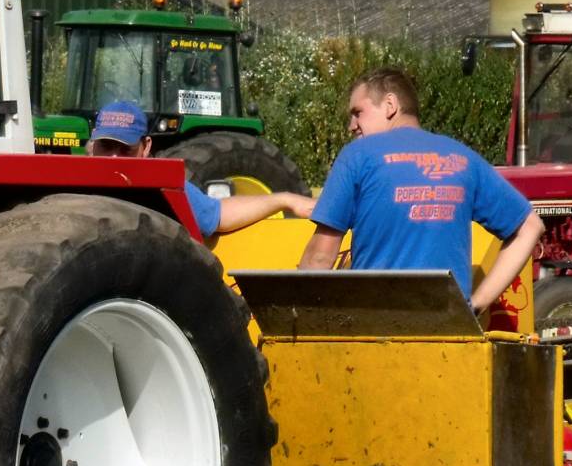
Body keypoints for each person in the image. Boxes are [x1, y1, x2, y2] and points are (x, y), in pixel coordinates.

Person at [298, 66, 544, 314]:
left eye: (357, 112)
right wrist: (476, 305)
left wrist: (296, 316)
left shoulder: (357, 156)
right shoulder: (461, 157)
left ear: (390, 105)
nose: (352, 125)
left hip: (377, 326)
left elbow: (320, 258)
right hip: (449, 331)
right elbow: (530, 227)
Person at [88, 101, 316, 237]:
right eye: (106, 146)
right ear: (92, 144)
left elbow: (217, 215)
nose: (114, 157)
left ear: (145, 147)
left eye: (125, 148)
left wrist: (284, 199)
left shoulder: (161, 185)